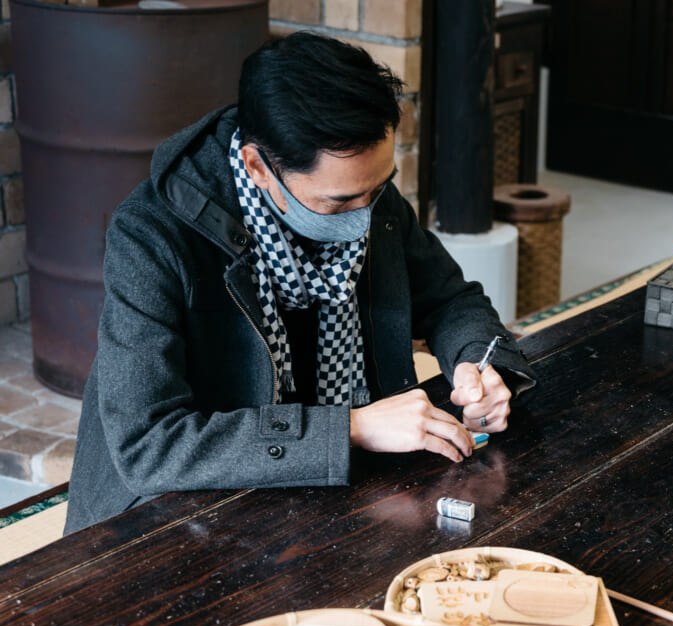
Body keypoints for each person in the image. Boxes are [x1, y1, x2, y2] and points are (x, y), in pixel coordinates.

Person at [64, 32, 537, 533]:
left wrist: (480, 367)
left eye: (379, 187)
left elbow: (450, 299)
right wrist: (350, 428)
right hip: (178, 513)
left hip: (330, 487)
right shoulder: (153, 235)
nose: (366, 215)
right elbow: (149, 446)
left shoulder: (368, 195)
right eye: (339, 203)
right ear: (258, 167)